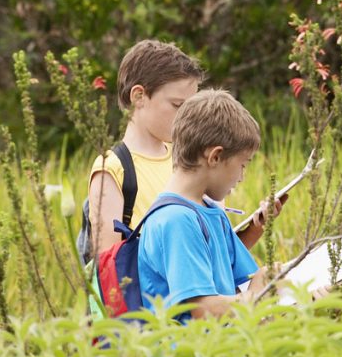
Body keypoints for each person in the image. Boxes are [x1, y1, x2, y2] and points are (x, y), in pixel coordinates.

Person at [86, 39, 275, 261]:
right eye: (178, 105)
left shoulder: (189, 157)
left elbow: (215, 258)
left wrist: (255, 228)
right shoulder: (113, 169)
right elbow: (107, 268)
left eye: (191, 106)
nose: (187, 115)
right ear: (138, 96)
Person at [137, 89, 269, 320]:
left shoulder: (211, 211)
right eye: (243, 165)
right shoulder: (176, 221)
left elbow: (236, 276)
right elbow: (203, 309)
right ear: (215, 157)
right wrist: (257, 295)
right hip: (190, 344)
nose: (242, 176)